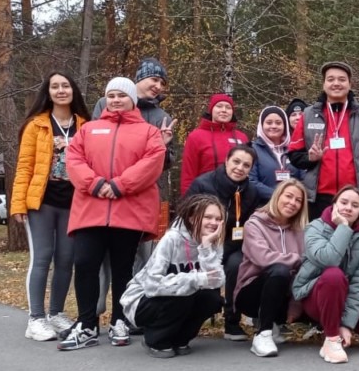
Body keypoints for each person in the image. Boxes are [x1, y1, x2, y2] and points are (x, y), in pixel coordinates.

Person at [58, 77, 166, 350]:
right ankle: (87, 324)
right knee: (84, 264)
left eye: (122, 96)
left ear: (132, 99)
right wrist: (95, 184)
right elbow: (74, 160)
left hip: (127, 211)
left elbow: (152, 161)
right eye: (111, 95)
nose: (116, 100)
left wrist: (119, 185)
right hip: (90, 209)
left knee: (122, 268)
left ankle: (120, 319)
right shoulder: (89, 129)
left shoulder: (148, 132)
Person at [93, 58, 177, 318]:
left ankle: (130, 315)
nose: (158, 86)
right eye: (154, 79)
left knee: (139, 259)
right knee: (100, 259)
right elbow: (94, 144)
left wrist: (162, 146)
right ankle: (93, 314)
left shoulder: (162, 117)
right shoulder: (105, 103)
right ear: (139, 78)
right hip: (104, 196)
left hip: (141, 198)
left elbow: (164, 163)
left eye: (162, 82)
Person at [11, 72, 91, 341]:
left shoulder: (85, 125)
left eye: (65, 86)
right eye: (55, 86)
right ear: (48, 92)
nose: (60, 90)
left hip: (74, 203)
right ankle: (35, 318)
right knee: (42, 258)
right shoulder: (36, 125)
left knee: (67, 260)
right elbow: (24, 167)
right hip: (42, 203)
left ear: (73, 91)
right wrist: (18, 204)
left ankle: (56, 313)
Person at [293, 185, 359, 364]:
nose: (348, 208)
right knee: (333, 275)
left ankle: (336, 325)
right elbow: (329, 260)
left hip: (347, 296)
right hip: (316, 294)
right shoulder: (315, 227)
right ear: (334, 204)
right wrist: (343, 227)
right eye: (343, 202)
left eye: (355, 205)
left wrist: (347, 323)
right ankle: (331, 338)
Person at [119, 194, 226, 357]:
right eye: (208, 217)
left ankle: (180, 339)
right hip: (141, 301)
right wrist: (195, 279)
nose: (214, 223)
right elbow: (152, 285)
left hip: (177, 298)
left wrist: (205, 247)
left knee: (212, 298)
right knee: (184, 293)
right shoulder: (172, 239)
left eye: (218, 219)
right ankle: (155, 340)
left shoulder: (212, 241)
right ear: (191, 217)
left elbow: (216, 281)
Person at [286, 61, 359, 220]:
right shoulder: (308, 115)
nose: (336, 83)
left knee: (356, 244)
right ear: (324, 84)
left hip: (356, 199)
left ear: (349, 83)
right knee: (319, 244)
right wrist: (310, 159)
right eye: (331, 79)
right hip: (319, 199)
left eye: (341, 79)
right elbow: (294, 155)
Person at [184, 145, 263, 341]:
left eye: (246, 165)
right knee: (204, 266)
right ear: (226, 160)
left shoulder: (251, 192)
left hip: (232, 244)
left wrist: (224, 251)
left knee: (236, 265)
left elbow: (246, 227)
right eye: (236, 162)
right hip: (199, 242)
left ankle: (232, 321)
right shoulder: (202, 184)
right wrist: (208, 247)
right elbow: (186, 219)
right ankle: (189, 319)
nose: (240, 168)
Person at [236, 179, 308, 357]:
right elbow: (263, 258)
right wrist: (297, 259)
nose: (292, 203)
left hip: (284, 294)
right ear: (278, 196)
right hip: (251, 293)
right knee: (280, 269)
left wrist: (295, 303)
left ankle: (277, 323)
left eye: (298, 200)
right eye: (288, 196)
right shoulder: (255, 224)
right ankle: (263, 333)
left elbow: (304, 270)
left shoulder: (301, 230)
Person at [180, 93, 249, 195]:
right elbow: (188, 174)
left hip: (236, 197)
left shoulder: (241, 137)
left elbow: (249, 171)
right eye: (219, 106)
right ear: (211, 110)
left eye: (228, 107)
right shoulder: (196, 136)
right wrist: (188, 202)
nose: (224, 110)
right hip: (205, 197)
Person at [250, 106, 303, 201]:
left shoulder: (294, 149)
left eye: (278, 123)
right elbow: (252, 181)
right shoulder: (252, 150)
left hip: (292, 206)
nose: (274, 126)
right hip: (264, 206)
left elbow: (304, 178)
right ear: (261, 125)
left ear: (285, 126)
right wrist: (278, 197)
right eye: (269, 123)